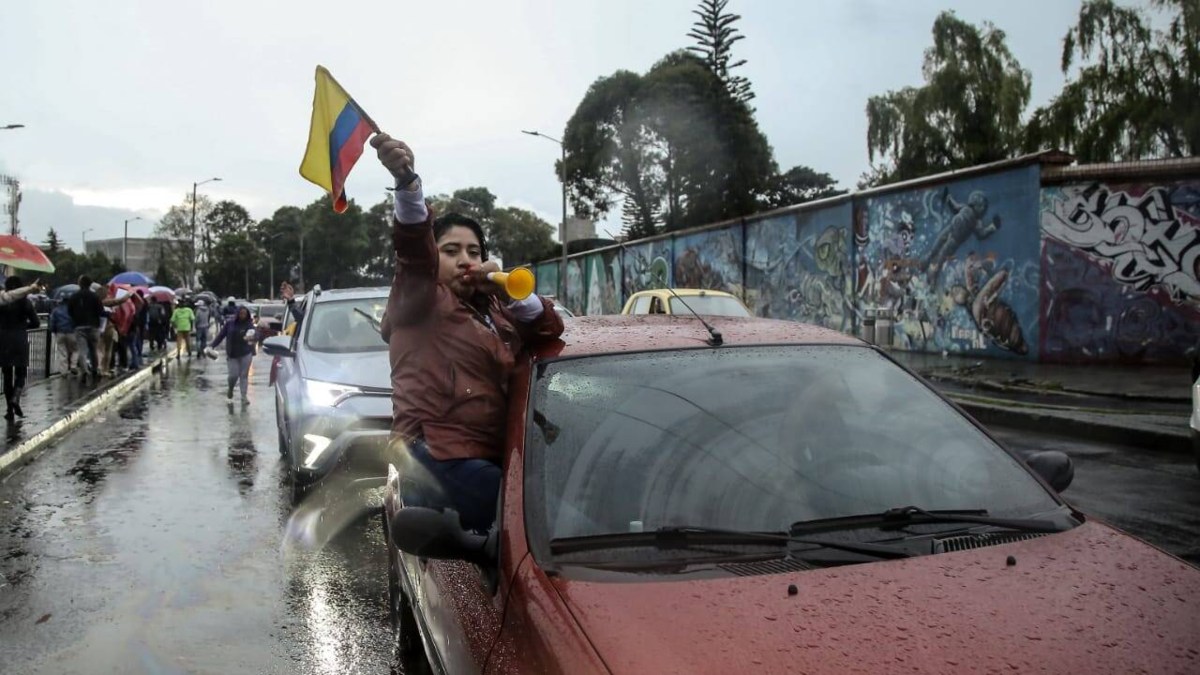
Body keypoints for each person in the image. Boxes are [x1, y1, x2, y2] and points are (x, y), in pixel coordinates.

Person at [372, 133, 564, 532]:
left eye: (474, 252)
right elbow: (413, 250)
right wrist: (408, 184)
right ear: (433, 258)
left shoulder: (495, 307)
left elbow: (550, 328)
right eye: (451, 251)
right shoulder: (421, 297)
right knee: (549, 518)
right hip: (435, 454)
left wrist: (508, 292)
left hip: (493, 453)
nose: (465, 260)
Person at [0, 276, 42, 420]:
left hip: (3, 340)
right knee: (21, 373)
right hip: (19, 339)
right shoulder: (25, 302)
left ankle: (9, 411)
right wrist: (23, 326)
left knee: (7, 376)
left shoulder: (2, 302)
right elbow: (36, 323)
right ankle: (16, 397)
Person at [211, 305, 256, 403]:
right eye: (241, 313)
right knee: (233, 375)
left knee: (244, 375)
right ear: (237, 314)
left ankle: (244, 396)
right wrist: (212, 345)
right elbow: (221, 335)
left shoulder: (249, 324)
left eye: (244, 314)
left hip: (246, 353)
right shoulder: (230, 324)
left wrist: (252, 337)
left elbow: (256, 334)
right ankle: (230, 389)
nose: (242, 315)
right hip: (232, 354)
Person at [67, 276, 105, 382]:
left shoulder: (74, 296)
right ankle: (95, 370)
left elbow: (69, 312)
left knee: (82, 351)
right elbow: (101, 311)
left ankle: (84, 371)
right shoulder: (95, 296)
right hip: (94, 326)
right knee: (94, 350)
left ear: (80, 283)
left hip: (79, 326)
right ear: (90, 284)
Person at [49, 297, 77, 375]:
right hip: (72, 332)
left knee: (62, 352)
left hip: (60, 333)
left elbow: (52, 322)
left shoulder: (56, 310)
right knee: (75, 350)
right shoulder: (74, 310)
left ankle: (63, 371)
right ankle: (73, 366)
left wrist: (53, 330)